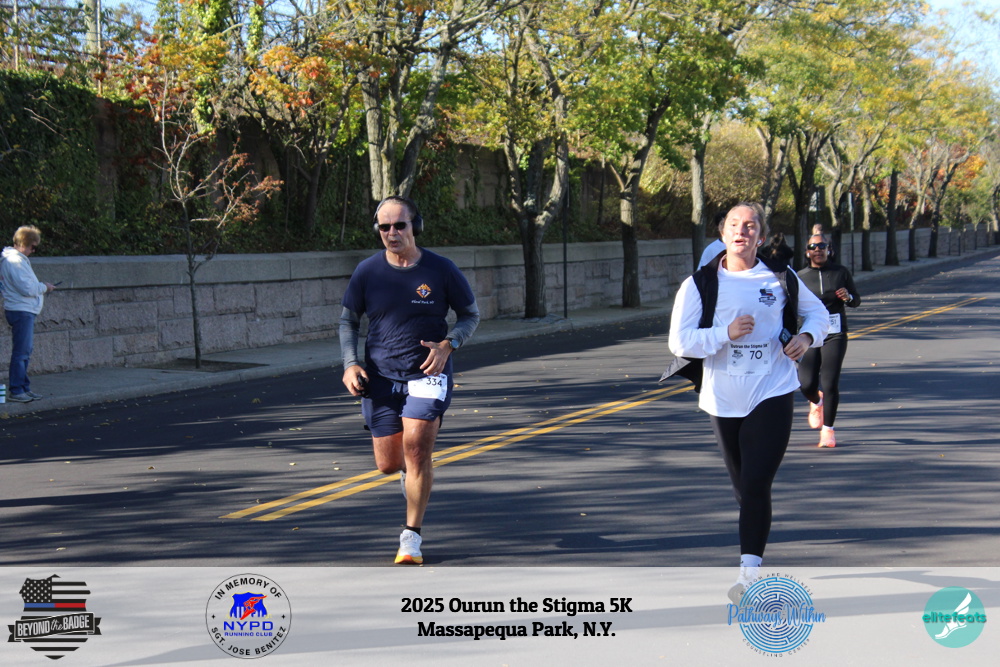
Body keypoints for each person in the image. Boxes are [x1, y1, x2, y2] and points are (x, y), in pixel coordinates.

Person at [668, 203, 828, 604]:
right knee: (744, 489)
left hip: (772, 390)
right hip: (722, 398)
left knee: (756, 484)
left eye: (751, 225)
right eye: (735, 225)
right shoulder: (700, 284)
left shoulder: (780, 277)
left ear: (761, 236)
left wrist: (806, 338)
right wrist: (725, 333)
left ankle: (748, 576)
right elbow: (680, 342)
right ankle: (752, 543)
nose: (742, 231)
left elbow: (819, 315)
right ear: (723, 234)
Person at [339, 196, 480, 565]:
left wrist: (450, 344)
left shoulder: (441, 270)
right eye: (384, 227)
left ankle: (411, 538)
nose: (392, 233)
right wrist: (351, 364)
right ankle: (411, 475)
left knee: (416, 450)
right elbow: (348, 321)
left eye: (399, 225)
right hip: (380, 377)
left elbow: (470, 315)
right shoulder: (367, 272)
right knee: (389, 463)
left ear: (415, 226)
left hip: (428, 374)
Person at [797, 234, 860, 448]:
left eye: (822, 246)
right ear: (807, 251)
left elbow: (856, 300)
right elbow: (791, 307)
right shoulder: (800, 277)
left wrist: (848, 297)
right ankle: (816, 401)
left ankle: (828, 431)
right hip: (809, 334)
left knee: (830, 382)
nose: (818, 249)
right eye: (813, 246)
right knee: (806, 383)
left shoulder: (840, 272)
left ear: (829, 250)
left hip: (835, 333)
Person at [1, 226, 56, 403]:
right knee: (21, 352)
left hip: (22, 310)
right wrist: (44, 287)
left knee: (25, 351)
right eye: (33, 247)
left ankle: (24, 387)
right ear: (24, 243)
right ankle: (17, 390)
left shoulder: (15, 260)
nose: (33, 251)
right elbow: (27, 288)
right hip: (21, 310)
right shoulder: (14, 261)